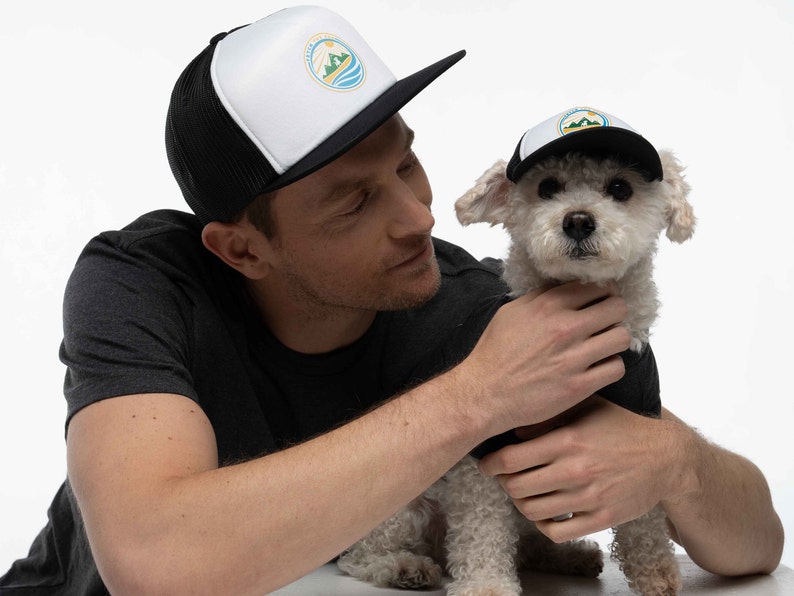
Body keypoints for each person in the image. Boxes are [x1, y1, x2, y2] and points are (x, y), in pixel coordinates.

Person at [0, 6, 782, 595]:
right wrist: (476, 397)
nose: (418, 217)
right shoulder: (142, 282)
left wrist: (677, 464)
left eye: (406, 164)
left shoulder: (471, 304)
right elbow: (152, 561)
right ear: (242, 248)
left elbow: (757, 542)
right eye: (353, 202)